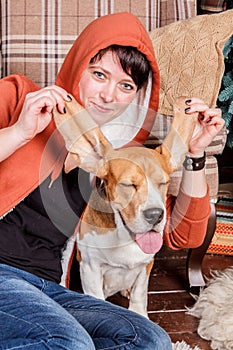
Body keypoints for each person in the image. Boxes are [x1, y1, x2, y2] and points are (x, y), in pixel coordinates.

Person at [0, 12, 224, 350]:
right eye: (99, 74)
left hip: (47, 288)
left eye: (126, 86)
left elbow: (182, 236)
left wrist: (194, 154)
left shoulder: (118, 160)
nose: (108, 95)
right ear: (78, 66)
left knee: (149, 339)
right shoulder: (19, 97)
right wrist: (19, 133)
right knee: (69, 341)